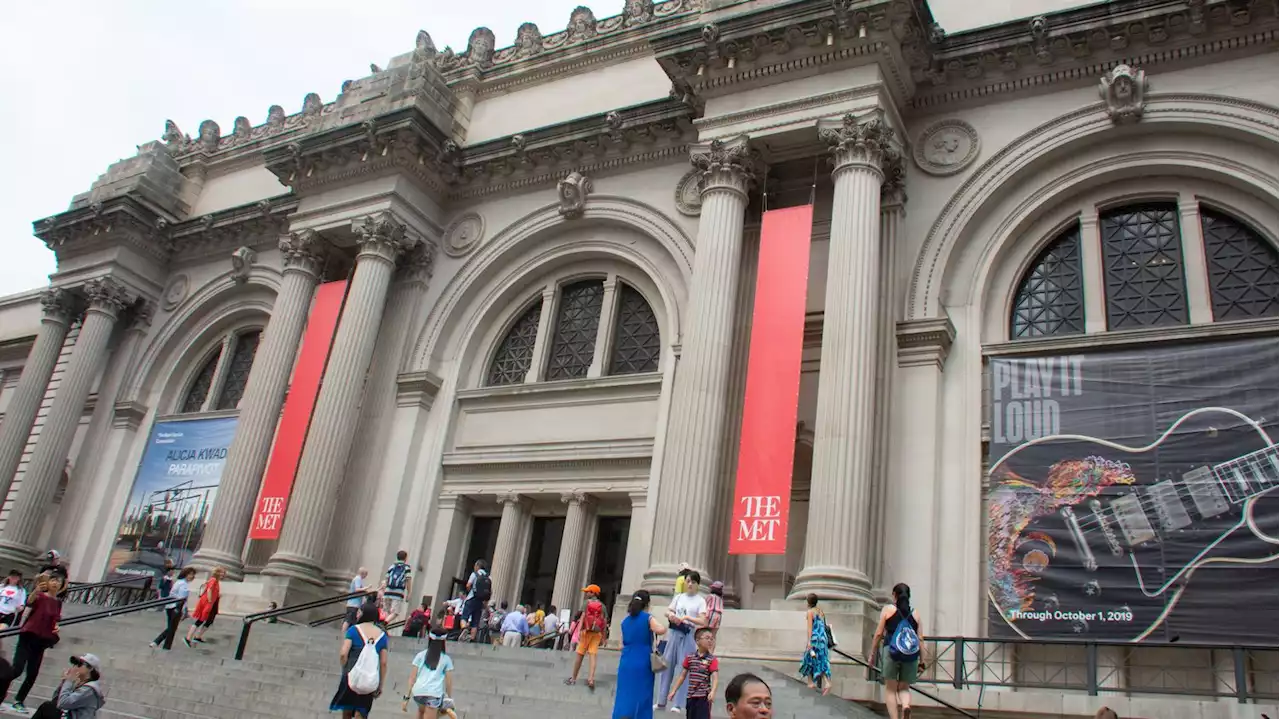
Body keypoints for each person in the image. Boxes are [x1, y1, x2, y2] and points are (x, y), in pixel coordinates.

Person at [0, 572, 61, 712]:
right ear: (48, 582)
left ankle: (19, 700)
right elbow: (29, 602)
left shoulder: (58, 602)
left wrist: (57, 628)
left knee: (33, 673)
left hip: (42, 639)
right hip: (28, 635)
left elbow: (56, 619)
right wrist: (36, 590)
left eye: (59, 582)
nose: (56, 583)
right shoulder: (40, 596)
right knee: (17, 669)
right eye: (53, 580)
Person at [868, 583, 924, 719]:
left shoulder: (888, 610)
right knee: (904, 687)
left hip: (891, 651)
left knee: (891, 689)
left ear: (894, 595)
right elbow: (920, 639)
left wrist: (872, 653)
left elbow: (878, 633)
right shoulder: (915, 614)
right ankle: (905, 705)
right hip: (910, 654)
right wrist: (922, 661)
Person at [656, 570, 707, 712]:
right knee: (666, 666)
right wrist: (672, 616)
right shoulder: (679, 597)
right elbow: (668, 611)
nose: (690, 584)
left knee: (683, 668)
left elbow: (703, 620)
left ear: (698, 584)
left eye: (693, 582)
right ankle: (661, 701)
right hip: (673, 633)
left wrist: (687, 618)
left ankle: (678, 703)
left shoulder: (700, 601)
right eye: (688, 581)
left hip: (688, 634)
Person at [611, 590, 667, 719]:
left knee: (624, 693)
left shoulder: (624, 621)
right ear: (647, 604)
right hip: (643, 659)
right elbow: (661, 629)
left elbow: (621, 644)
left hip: (626, 660)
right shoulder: (647, 617)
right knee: (643, 693)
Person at [330, 605, 389, 718]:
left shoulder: (353, 630)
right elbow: (383, 662)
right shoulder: (382, 636)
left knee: (347, 710)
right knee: (361, 710)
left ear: (364, 614)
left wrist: (345, 668)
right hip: (369, 677)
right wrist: (380, 684)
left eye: (359, 612)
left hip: (350, 675)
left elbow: (343, 653)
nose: (357, 615)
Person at [666, 627, 718, 719]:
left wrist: (713, 691)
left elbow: (715, 677)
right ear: (697, 641)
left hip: (704, 697)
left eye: (711, 639)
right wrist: (674, 690)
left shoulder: (712, 659)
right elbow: (682, 676)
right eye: (707, 638)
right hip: (691, 696)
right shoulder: (690, 657)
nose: (710, 641)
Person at [34, 653, 105, 719]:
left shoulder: (90, 689)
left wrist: (69, 681)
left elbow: (63, 703)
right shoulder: (79, 683)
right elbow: (56, 701)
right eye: (75, 664)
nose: (75, 667)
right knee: (48, 707)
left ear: (90, 668)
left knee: (47, 707)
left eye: (80, 664)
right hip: (69, 715)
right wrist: (63, 682)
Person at [401, 632, 454, 718]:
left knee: (421, 711)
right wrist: (449, 698)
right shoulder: (446, 659)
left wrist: (406, 698)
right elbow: (449, 682)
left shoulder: (420, 655)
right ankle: (443, 711)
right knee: (431, 711)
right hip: (433, 694)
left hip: (418, 692)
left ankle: (440, 712)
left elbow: (412, 678)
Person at [566, 584, 609, 689]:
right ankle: (591, 679)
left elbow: (583, 617)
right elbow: (604, 621)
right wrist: (604, 637)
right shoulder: (602, 606)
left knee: (580, 655)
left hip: (586, 632)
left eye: (588, 591)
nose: (586, 593)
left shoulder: (586, 603)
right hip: (596, 634)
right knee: (593, 655)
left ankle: (573, 678)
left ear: (593, 593)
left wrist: (580, 630)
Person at [151, 567, 195, 650]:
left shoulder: (179, 582)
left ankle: (159, 643)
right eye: (190, 574)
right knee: (172, 627)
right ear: (185, 574)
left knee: (171, 627)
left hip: (171, 606)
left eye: (193, 575)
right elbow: (181, 598)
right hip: (175, 607)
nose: (191, 576)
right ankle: (160, 643)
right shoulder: (183, 584)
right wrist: (184, 611)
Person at [798, 593, 831, 695]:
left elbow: (810, 628)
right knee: (822, 659)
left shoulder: (810, 612)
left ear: (808, 602)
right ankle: (827, 682)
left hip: (815, 639)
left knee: (808, 658)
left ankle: (810, 682)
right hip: (823, 639)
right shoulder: (820, 612)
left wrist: (809, 641)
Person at [184, 566, 224, 646]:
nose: (223, 574)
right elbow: (209, 589)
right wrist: (209, 600)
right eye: (222, 573)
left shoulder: (215, 581)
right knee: (200, 620)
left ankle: (197, 637)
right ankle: (188, 638)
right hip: (208, 603)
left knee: (207, 620)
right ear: (217, 573)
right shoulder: (213, 580)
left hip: (212, 604)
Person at [461, 559, 490, 643]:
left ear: (477, 566)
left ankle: (464, 629)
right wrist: (485, 602)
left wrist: (471, 592)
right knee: (475, 621)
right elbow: (489, 592)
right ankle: (472, 638)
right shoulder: (488, 577)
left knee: (464, 617)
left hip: (471, 598)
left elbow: (468, 585)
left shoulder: (475, 574)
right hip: (480, 601)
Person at [382, 551, 413, 624]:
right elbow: (408, 580)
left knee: (387, 612)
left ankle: (383, 628)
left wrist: (384, 590)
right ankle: (384, 624)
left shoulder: (392, 566)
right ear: (405, 558)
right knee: (395, 613)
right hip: (398, 593)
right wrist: (409, 593)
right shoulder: (406, 568)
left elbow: (386, 579)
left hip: (387, 592)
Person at [343, 567, 369, 633]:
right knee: (348, 619)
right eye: (366, 574)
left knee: (352, 620)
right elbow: (357, 589)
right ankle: (343, 632)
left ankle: (346, 633)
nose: (366, 576)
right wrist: (366, 588)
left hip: (354, 604)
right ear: (363, 573)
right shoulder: (358, 579)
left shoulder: (357, 579)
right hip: (353, 604)